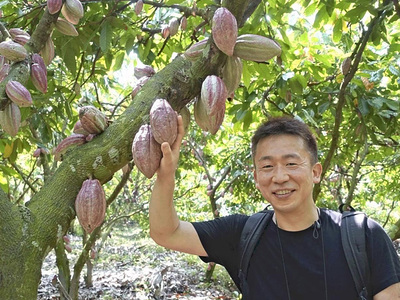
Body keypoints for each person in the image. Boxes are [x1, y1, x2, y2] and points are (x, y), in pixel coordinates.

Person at [149, 115, 400, 299]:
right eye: (267, 166)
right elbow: (165, 232)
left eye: (291, 163)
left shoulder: (362, 234)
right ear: (257, 178)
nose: (279, 177)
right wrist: (166, 175)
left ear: (315, 172)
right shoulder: (241, 234)